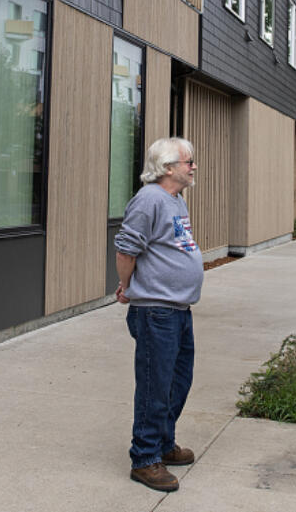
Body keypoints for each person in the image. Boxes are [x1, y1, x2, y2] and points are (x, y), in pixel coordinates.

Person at [114, 137, 204, 492]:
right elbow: (126, 249)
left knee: (177, 381)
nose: (193, 166)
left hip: (178, 309)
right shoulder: (149, 200)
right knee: (155, 385)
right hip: (156, 311)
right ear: (168, 168)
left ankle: (164, 443)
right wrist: (127, 286)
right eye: (188, 162)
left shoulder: (176, 200)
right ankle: (145, 457)